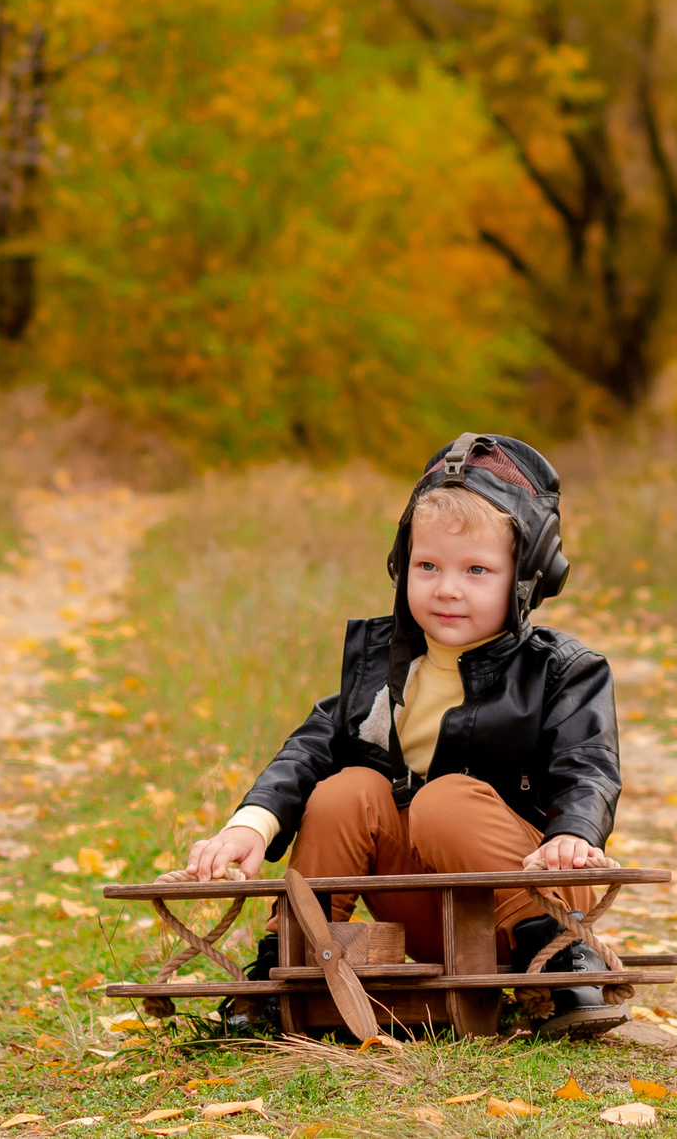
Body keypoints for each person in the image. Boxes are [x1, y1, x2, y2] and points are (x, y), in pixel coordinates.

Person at [179, 432, 626, 1039]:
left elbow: (588, 765)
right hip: (430, 903)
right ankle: (295, 959)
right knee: (348, 788)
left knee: (444, 798)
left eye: (476, 570)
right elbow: (308, 749)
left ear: (527, 578)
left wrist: (572, 834)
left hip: (530, 892)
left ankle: (560, 963)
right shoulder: (383, 666)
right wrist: (250, 824)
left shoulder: (562, 671)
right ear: (401, 565)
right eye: (428, 566)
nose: (447, 588)